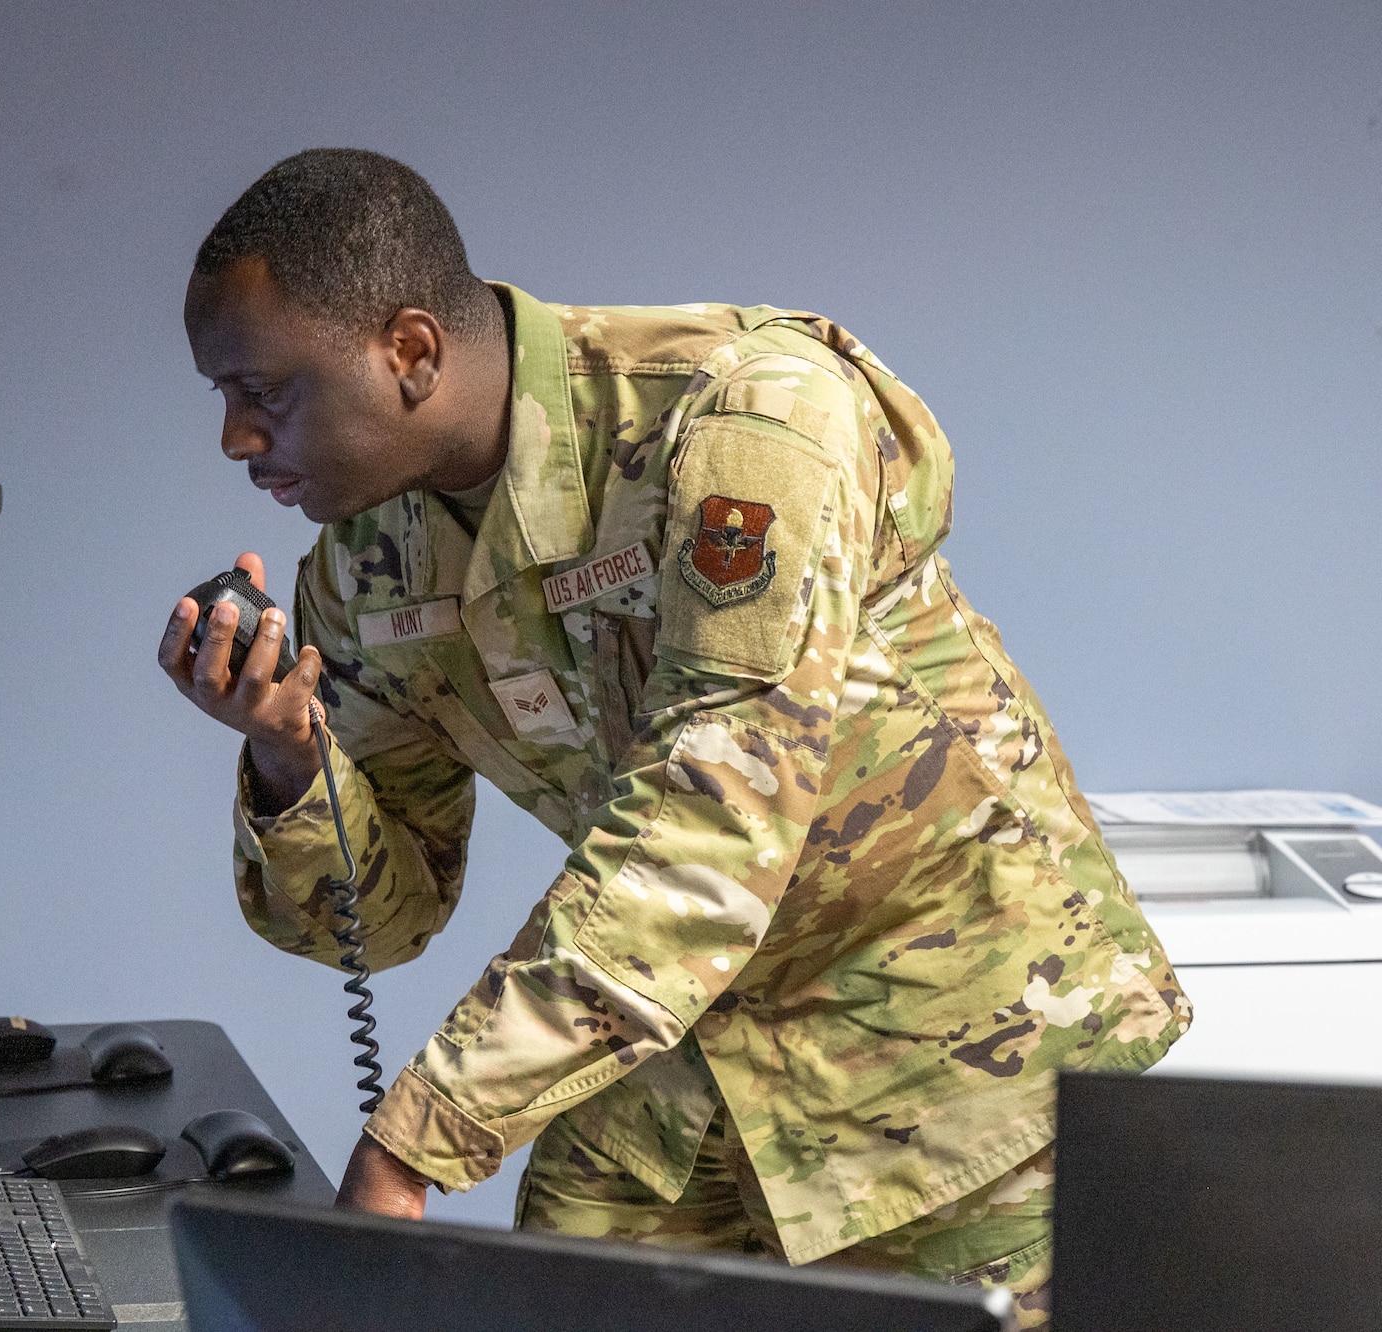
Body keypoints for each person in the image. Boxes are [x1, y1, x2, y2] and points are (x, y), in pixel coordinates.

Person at [157, 148, 1189, 1324]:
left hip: (951, 1060)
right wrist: (291, 754)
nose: (237, 439)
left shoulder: (745, 419)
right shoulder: (366, 559)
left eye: (264, 391)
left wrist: (417, 1139)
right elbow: (379, 923)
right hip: (678, 1071)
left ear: (406, 352)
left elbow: (705, 838)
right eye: (223, 401)